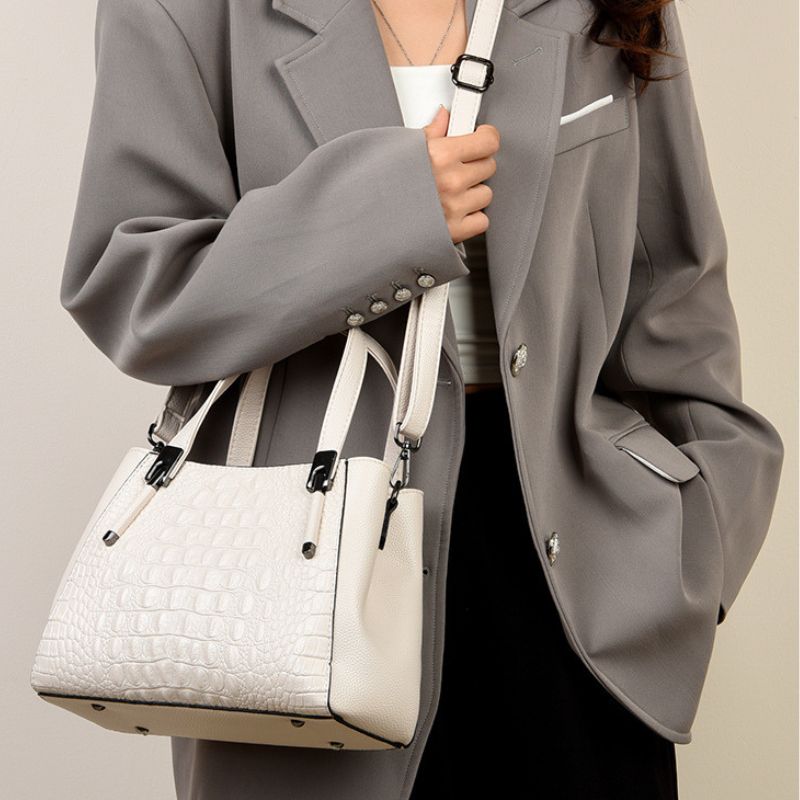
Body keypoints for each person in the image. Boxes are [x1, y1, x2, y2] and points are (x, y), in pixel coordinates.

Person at [59, 0, 784, 797]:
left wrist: (699, 538)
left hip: (580, 566)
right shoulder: (183, 12)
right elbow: (133, 283)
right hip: (306, 570)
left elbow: (674, 287)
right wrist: (388, 212)